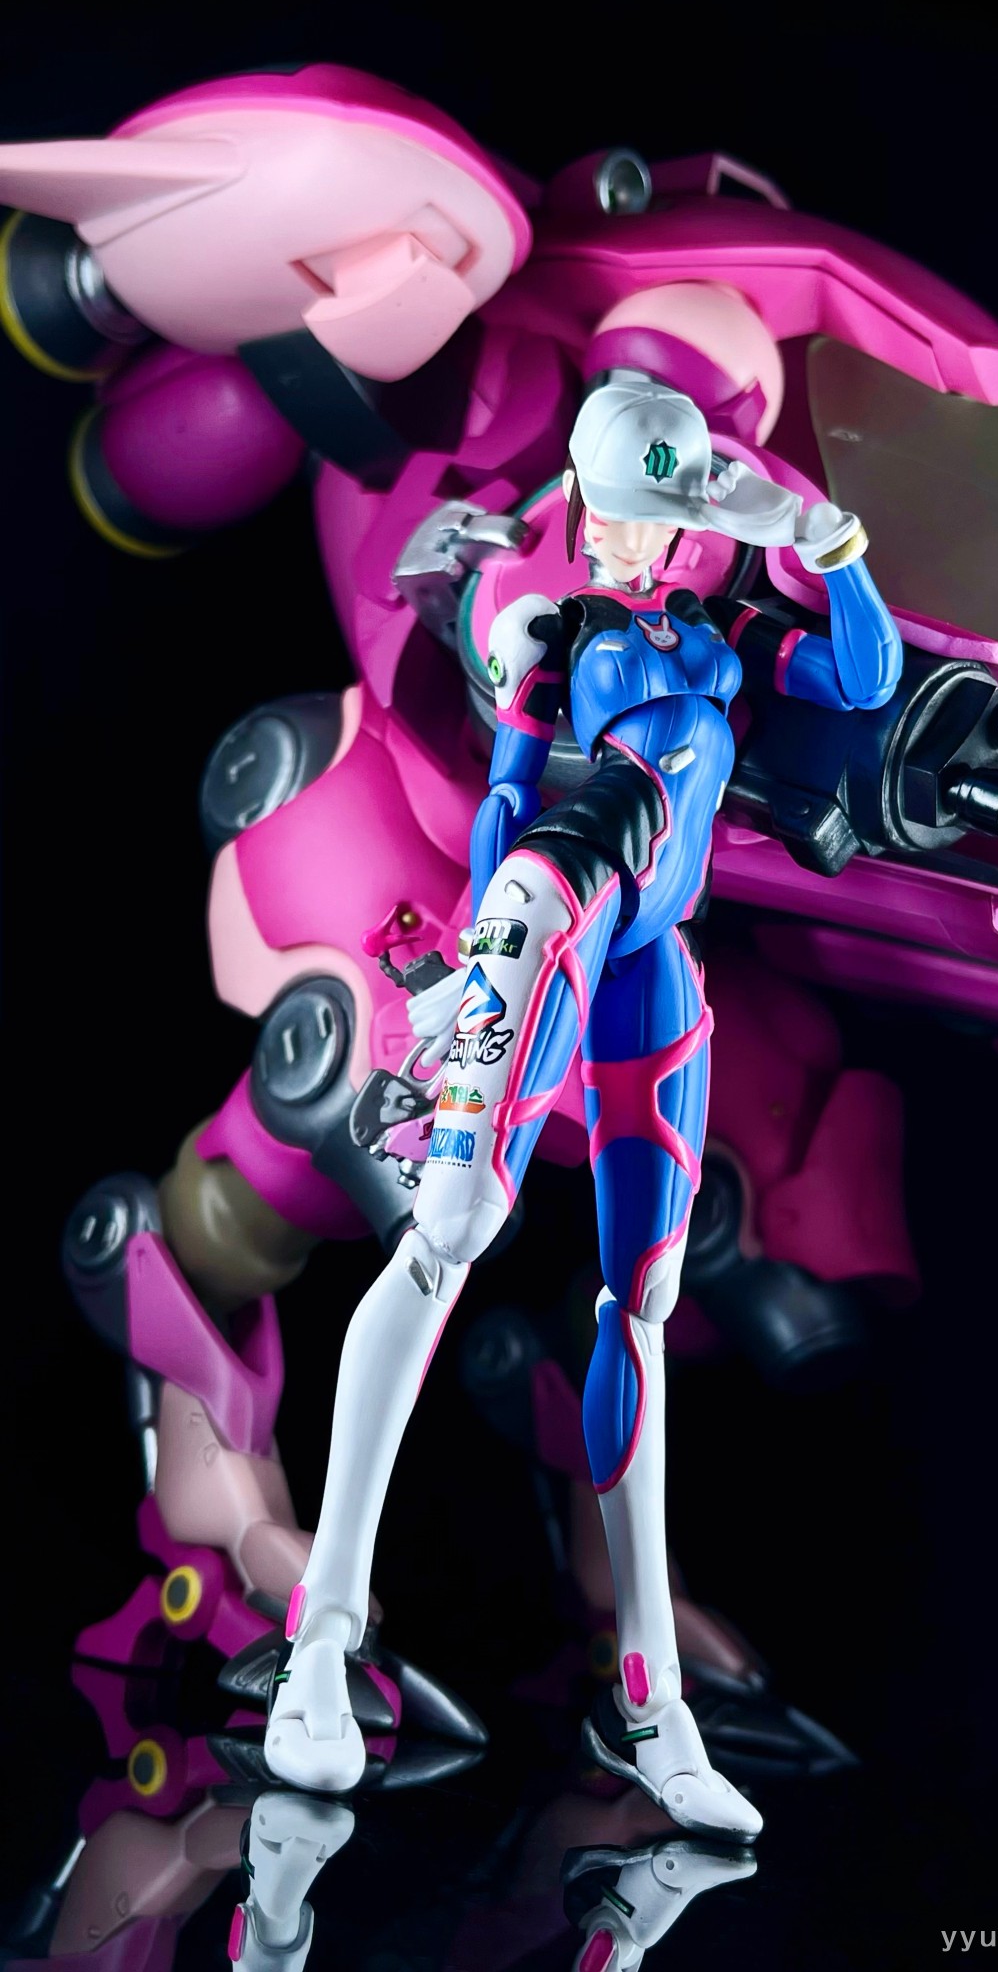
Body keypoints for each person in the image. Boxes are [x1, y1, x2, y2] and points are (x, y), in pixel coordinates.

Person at [264, 376, 902, 1838]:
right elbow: (505, 804)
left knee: (647, 1301)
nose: (623, 533)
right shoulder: (554, 635)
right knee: (447, 1228)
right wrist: (470, 975)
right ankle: (319, 1643)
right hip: (557, 897)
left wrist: (825, 540)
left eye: (648, 512)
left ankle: (651, 1702)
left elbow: (863, 679)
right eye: (609, 510)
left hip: (652, 956)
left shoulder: (732, 633)